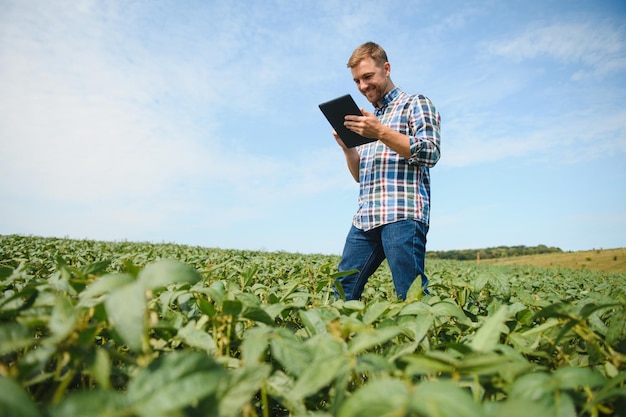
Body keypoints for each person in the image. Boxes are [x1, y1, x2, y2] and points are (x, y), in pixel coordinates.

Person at [333, 41, 441, 300]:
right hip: (365, 219)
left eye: (367, 76)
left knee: (410, 296)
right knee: (342, 290)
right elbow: (361, 175)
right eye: (357, 81)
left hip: (402, 215)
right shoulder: (367, 119)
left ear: (387, 68)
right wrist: (348, 148)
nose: (362, 86)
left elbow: (430, 152)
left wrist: (380, 131)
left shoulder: (415, 104)